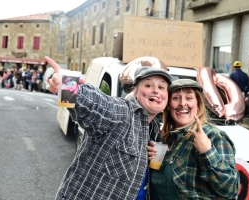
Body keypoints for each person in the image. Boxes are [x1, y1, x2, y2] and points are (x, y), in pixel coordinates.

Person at [46, 56, 172, 200]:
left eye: (161, 87)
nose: (155, 90)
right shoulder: (121, 112)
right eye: (148, 85)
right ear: (135, 92)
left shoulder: (155, 129)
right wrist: (65, 84)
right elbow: (97, 105)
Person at [148, 79, 240, 199]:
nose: (182, 103)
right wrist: (150, 160)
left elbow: (231, 189)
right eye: (176, 98)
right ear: (168, 106)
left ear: (198, 104)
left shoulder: (212, 136)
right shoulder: (166, 139)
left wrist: (207, 152)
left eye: (189, 98)